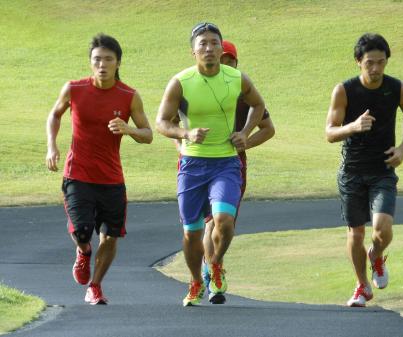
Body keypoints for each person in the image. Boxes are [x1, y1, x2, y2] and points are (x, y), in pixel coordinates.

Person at [156, 23, 265, 306]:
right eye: (203, 44)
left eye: (214, 43)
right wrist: (185, 134)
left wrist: (245, 133)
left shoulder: (237, 78)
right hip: (192, 164)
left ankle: (215, 265)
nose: (209, 48)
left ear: (221, 47)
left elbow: (258, 105)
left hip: (226, 163)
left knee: (224, 221)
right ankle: (194, 280)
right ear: (193, 50)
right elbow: (162, 123)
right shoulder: (181, 82)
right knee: (192, 232)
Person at [46, 34, 153, 305]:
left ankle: (95, 286)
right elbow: (55, 114)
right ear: (90, 63)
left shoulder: (129, 96)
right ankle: (83, 252)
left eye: (108, 59)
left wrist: (128, 129)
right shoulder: (74, 89)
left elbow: (148, 134)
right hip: (78, 174)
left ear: (118, 63)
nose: (102, 64)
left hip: (111, 179)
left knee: (110, 236)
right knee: (82, 232)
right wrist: (52, 146)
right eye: (97, 60)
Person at [325, 33, 403, 307]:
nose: (375, 69)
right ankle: (362, 286)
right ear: (358, 62)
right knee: (355, 232)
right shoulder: (344, 90)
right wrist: (353, 126)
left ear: (387, 61)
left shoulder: (398, 88)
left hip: (383, 169)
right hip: (352, 171)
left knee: (382, 228)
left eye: (380, 62)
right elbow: (329, 133)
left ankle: (376, 255)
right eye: (369, 63)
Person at [201, 40, 275, 304]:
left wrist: (245, 140)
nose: (224, 65)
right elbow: (172, 121)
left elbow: (268, 128)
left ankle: (213, 265)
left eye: (229, 60)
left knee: (224, 223)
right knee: (210, 223)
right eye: (221, 60)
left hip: (233, 165)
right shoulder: (199, 87)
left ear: (236, 64)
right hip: (202, 163)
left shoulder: (245, 93)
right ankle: (211, 273)